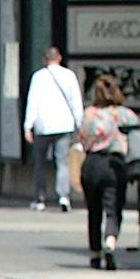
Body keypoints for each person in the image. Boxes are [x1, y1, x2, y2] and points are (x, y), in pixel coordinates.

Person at [78, 73, 139, 270]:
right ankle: (110, 242)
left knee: (94, 210)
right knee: (114, 208)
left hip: (93, 164)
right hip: (115, 165)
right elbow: (137, 137)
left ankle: (95, 254)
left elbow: (83, 139)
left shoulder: (90, 114)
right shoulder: (126, 114)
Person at [22, 47, 83, 212]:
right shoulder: (69, 76)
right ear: (60, 58)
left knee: (40, 162)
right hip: (64, 124)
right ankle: (64, 196)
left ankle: (40, 198)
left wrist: (28, 126)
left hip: (43, 125)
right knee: (62, 162)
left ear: (44, 59)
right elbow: (75, 101)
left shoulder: (38, 77)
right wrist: (79, 123)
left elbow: (32, 102)